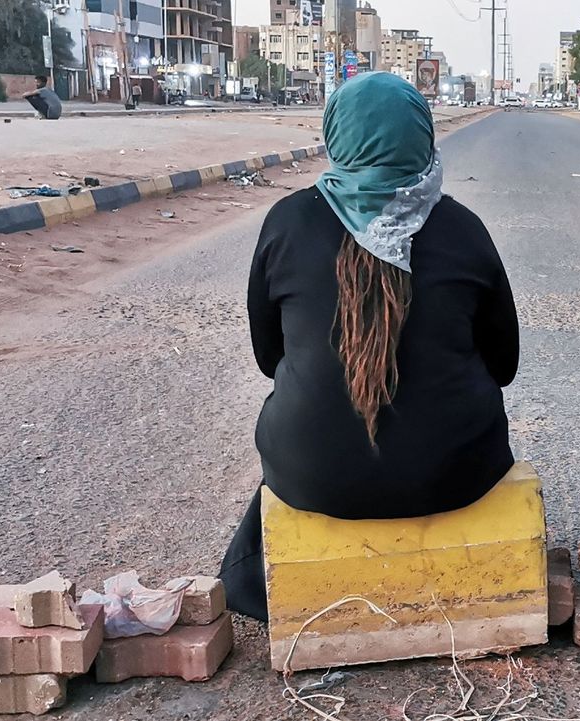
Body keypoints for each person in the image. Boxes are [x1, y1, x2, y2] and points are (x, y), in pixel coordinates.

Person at [219, 72, 520, 622]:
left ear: (337, 136)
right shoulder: (463, 228)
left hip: (313, 477)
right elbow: (505, 365)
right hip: (456, 475)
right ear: (422, 138)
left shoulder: (288, 221)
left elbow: (270, 360)